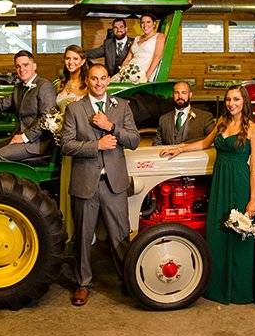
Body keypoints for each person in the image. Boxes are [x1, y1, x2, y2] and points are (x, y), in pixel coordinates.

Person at [161, 85, 255, 307]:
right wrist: (180, 148)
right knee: (217, 232)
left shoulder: (254, 130)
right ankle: (217, 287)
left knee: (239, 234)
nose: (231, 103)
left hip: (239, 181)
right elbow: (204, 144)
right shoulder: (222, 122)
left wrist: (253, 199)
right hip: (220, 181)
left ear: (244, 101)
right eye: (228, 99)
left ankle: (240, 290)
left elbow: (254, 166)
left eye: (236, 99)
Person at [61, 63, 140, 306]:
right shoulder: (75, 109)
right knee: (84, 237)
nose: (99, 83)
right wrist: (97, 145)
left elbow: (134, 140)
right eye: (94, 79)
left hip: (114, 183)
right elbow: (66, 145)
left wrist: (111, 127)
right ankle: (83, 283)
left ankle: (127, 280)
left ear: (109, 81)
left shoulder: (122, 106)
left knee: (120, 236)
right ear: (88, 80)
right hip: (86, 183)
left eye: (103, 78)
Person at [0, 50, 58, 162]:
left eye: (25, 65)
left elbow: (47, 118)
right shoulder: (18, 88)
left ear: (34, 66)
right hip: (22, 136)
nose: (22, 69)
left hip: (38, 142)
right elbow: (3, 104)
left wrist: (24, 137)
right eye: (18, 66)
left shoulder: (44, 86)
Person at [55, 45, 89, 241]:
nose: (71, 62)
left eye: (75, 59)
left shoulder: (86, 84)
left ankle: (83, 232)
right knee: (66, 183)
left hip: (80, 138)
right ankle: (67, 227)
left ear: (83, 61)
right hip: (63, 140)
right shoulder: (61, 83)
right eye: (68, 58)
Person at [153, 81, 215, 145]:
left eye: (184, 93)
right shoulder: (163, 119)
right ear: (173, 95)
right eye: (176, 93)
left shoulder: (205, 117)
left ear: (190, 95)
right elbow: (157, 143)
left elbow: (212, 139)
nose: (180, 96)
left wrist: (185, 145)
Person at [112, 13, 165, 83]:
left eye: (148, 22)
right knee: (110, 83)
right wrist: (122, 71)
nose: (145, 25)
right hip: (129, 69)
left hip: (142, 72)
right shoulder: (137, 38)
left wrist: (146, 76)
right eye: (142, 22)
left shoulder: (159, 36)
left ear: (154, 23)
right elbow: (128, 58)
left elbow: (157, 57)